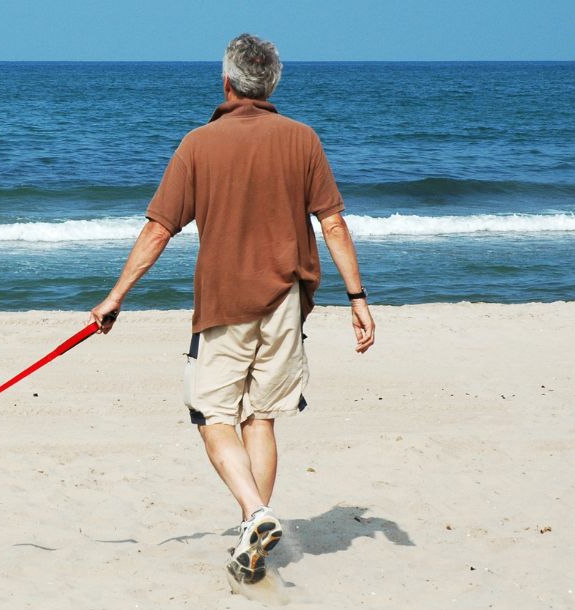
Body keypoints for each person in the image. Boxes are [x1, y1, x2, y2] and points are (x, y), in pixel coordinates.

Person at [87, 33, 375, 584]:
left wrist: (115, 297)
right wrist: (357, 298)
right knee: (260, 417)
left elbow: (159, 229)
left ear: (226, 82)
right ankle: (254, 529)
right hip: (287, 301)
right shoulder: (303, 139)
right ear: (272, 84)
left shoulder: (198, 143)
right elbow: (332, 222)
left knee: (212, 415)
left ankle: (255, 515)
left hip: (223, 304)